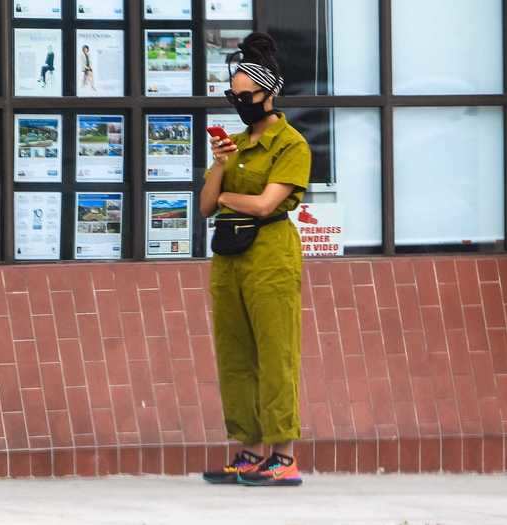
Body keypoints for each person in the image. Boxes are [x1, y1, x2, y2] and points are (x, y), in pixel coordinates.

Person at [199, 32, 311, 487]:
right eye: (234, 95)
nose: (239, 102)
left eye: (246, 95)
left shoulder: (292, 145)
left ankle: (282, 454)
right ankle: (247, 451)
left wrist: (226, 195)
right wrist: (221, 167)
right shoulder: (236, 144)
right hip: (229, 256)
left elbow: (267, 205)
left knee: (275, 352)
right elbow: (206, 206)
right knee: (234, 354)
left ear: (268, 93)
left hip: (270, 255)